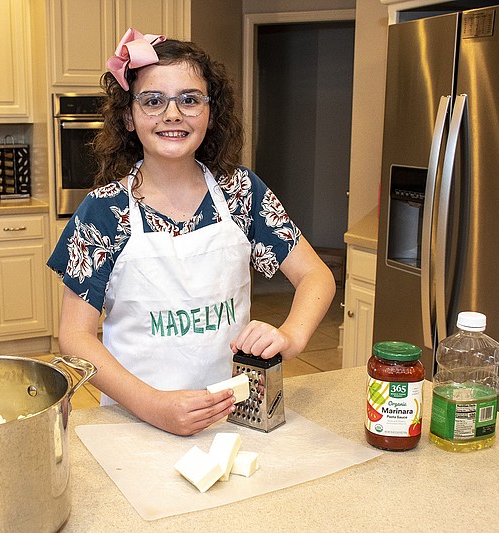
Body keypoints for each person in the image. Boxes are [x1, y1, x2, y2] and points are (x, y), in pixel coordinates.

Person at [48, 28, 336, 436]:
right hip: (137, 420)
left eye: (189, 99)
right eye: (152, 101)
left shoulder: (242, 193)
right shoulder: (103, 211)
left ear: (211, 112)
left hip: (234, 413)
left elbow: (316, 276)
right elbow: (75, 337)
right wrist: (153, 405)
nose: (172, 114)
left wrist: (291, 336)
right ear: (129, 117)